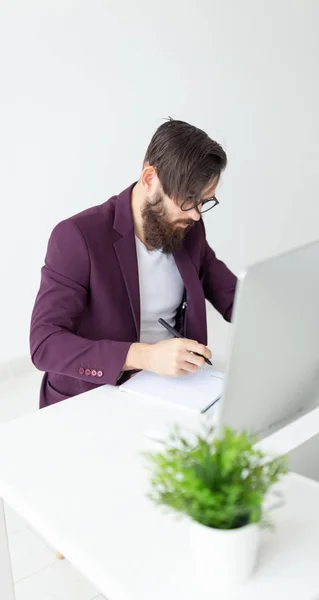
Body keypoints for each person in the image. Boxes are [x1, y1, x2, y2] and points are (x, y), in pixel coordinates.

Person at [30, 119, 237, 408]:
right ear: (150, 178)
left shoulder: (188, 228)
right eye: (189, 201)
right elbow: (45, 345)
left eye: (205, 201)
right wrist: (145, 356)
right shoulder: (77, 237)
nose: (196, 215)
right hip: (95, 396)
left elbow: (232, 294)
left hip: (174, 390)